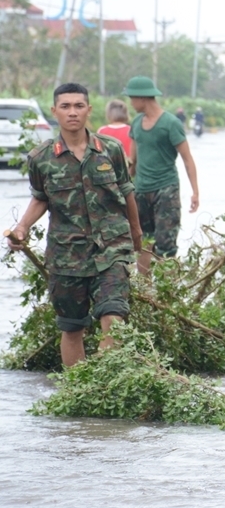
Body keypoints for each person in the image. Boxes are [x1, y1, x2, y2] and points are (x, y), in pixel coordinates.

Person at [6, 83, 142, 367]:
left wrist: (136, 233)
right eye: (65, 107)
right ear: (54, 111)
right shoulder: (40, 158)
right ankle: (78, 394)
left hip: (111, 249)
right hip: (67, 255)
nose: (72, 113)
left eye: (79, 106)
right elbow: (40, 199)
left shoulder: (111, 150)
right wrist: (22, 228)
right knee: (71, 327)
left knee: (114, 316)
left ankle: (105, 383)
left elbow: (127, 192)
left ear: (88, 110)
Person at [124, 76, 199, 271]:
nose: (131, 103)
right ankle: (146, 290)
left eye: (132, 98)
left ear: (143, 98)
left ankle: (169, 292)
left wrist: (195, 192)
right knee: (142, 241)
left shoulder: (170, 123)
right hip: (141, 190)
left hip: (166, 190)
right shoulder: (137, 123)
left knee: (166, 245)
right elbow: (132, 162)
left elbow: (187, 158)